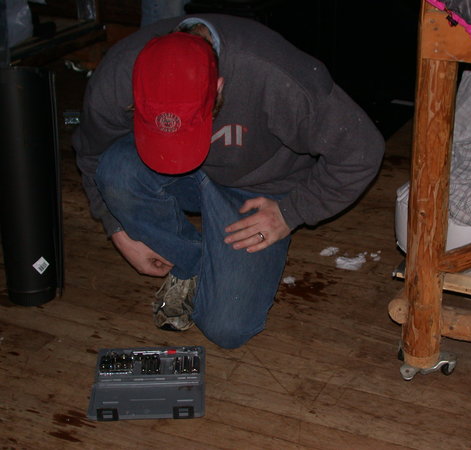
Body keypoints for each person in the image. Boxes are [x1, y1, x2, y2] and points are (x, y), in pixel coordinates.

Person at [72, 14, 385, 349]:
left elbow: (363, 150)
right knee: (116, 170)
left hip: (258, 187)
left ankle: (208, 263)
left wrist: (290, 212)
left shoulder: (277, 76)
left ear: (219, 85)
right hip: (169, 170)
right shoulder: (119, 71)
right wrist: (116, 227)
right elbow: (92, 154)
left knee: (227, 328)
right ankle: (191, 262)